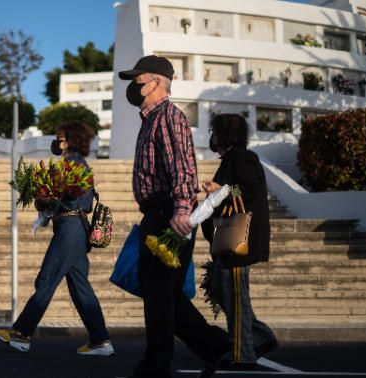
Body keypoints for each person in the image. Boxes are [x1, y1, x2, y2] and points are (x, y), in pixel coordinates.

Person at [118, 55, 230, 378]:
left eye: (137, 80)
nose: (133, 86)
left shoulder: (168, 117)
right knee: (163, 294)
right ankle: (217, 347)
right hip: (157, 212)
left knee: (159, 294)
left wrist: (182, 209)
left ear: (155, 83)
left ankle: (157, 364)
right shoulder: (151, 119)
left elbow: (181, 166)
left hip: (169, 211)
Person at [0, 121, 114, 356]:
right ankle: (100, 341)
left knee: (46, 279)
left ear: (70, 140)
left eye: (60, 138)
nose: (56, 142)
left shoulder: (73, 163)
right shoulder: (77, 163)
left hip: (70, 228)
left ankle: (22, 334)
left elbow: (61, 194)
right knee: (80, 287)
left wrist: (41, 194)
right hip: (75, 228)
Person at [201, 114, 279, 370]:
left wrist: (219, 190)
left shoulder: (244, 158)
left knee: (234, 296)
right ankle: (259, 336)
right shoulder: (234, 158)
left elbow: (249, 191)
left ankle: (243, 354)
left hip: (238, 242)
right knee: (223, 292)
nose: (211, 135)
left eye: (214, 131)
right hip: (230, 242)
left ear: (224, 134)